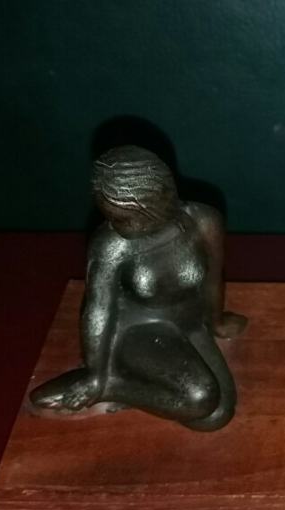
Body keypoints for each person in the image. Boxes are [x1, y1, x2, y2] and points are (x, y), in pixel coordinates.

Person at [30, 145, 245, 431]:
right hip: (137, 330)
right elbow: (98, 309)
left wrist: (216, 322)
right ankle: (109, 385)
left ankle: (116, 386)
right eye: (112, 217)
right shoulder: (111, 245)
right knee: (200, 399)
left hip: (190, 324)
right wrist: (95, 373)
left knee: (216, 416)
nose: (118, 226)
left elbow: (213, 277)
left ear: (159, 202)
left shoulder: (203, 220)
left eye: (126, 218)